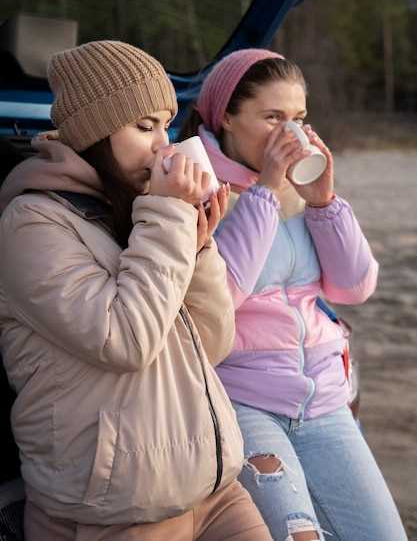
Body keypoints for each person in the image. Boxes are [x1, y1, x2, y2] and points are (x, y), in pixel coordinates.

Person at [0, 41, 274, 541]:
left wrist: (197, 249)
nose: (162, 146)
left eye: (167, 126)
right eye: (144, 126)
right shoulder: (33, 221)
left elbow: (211, 347)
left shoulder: (138, 210)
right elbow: (124, 340)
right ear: (93, 132)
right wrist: (168, 216)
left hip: (213, 491)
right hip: (116, 511)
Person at [178, 48, 408, 541]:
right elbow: (222, 295)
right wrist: (264, 189)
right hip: (243, 400)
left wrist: (325, 203)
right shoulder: (196, 186)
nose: (290, 132)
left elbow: (354, 287)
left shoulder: (299, 194)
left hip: (322, 399)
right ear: (228, 119)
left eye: (299, 118)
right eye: (272, 117)